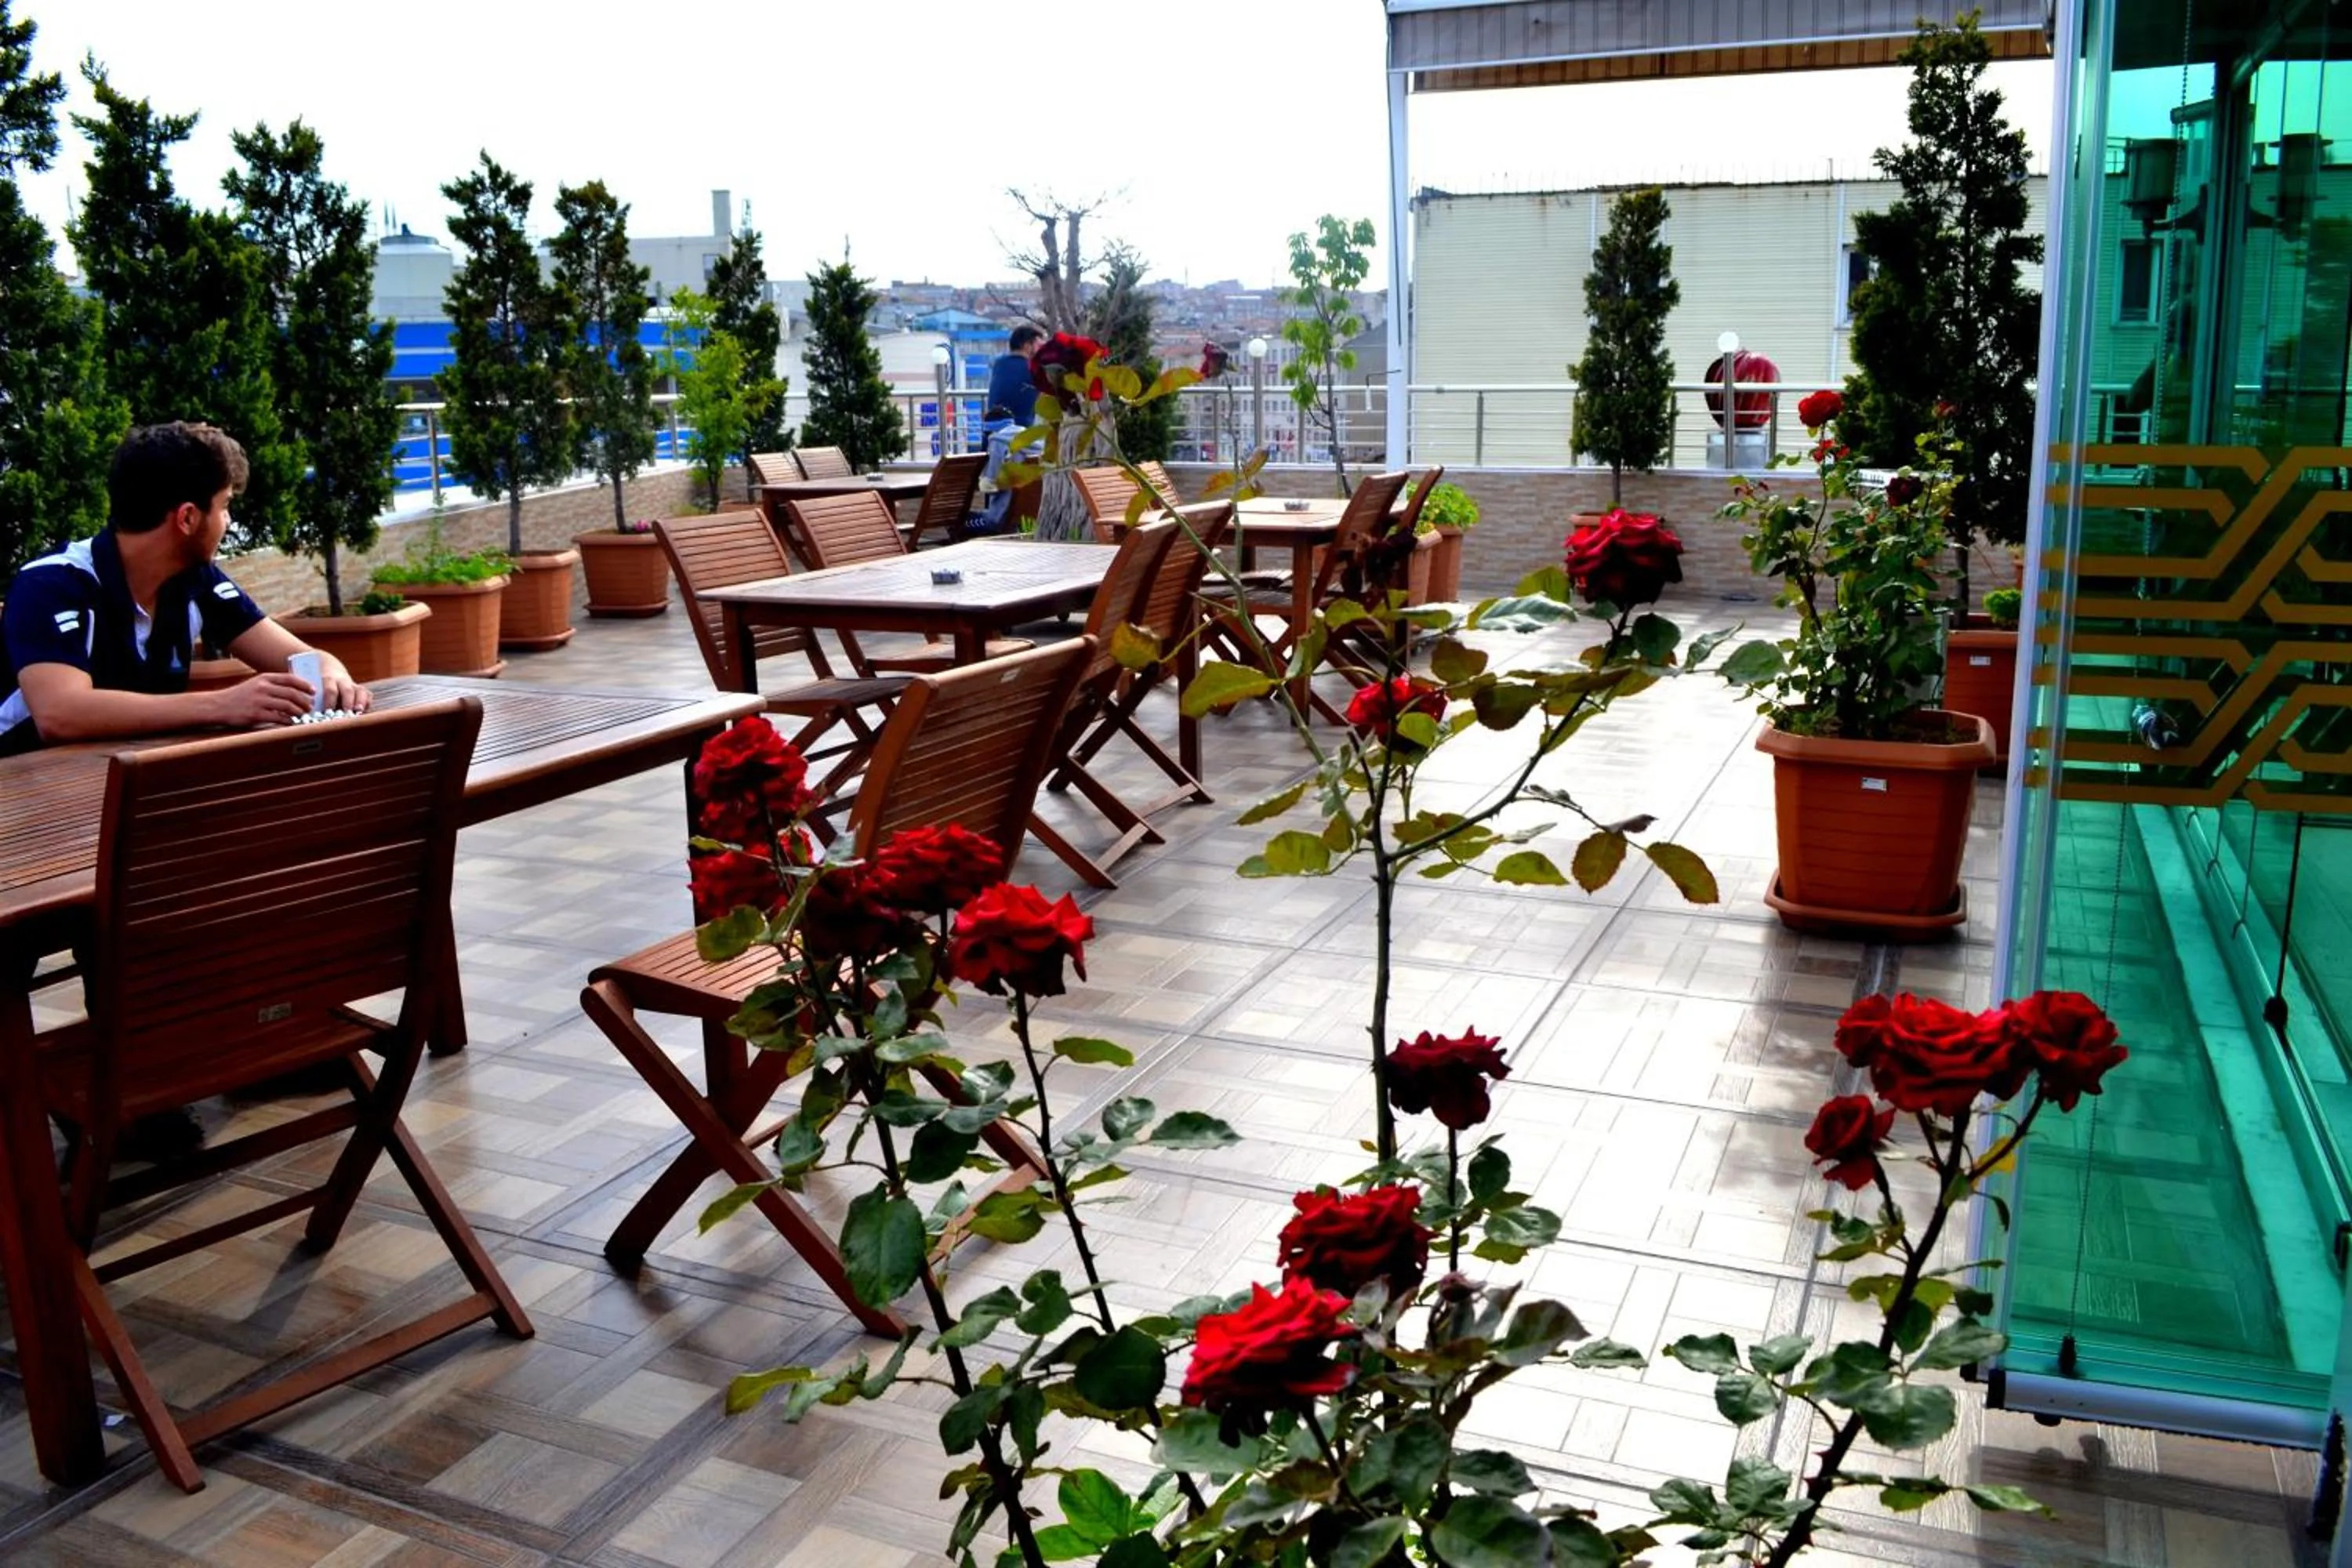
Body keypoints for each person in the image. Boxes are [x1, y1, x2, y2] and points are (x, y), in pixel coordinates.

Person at [1, 421, 370, 756]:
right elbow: (60, 714)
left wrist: (332, 678)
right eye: (225, 506)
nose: (228, 521)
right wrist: (222, 705)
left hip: (111, 782)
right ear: (188, 518)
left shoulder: (195, 579)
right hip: (21, 792)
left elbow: (302, 658)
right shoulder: (52, 585)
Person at [985, 325, 1044, 430]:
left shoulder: (999, 364)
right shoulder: (1033, 368)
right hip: (1021, 432)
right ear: (1027, 346)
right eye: (1038, 346)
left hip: (994, 431)